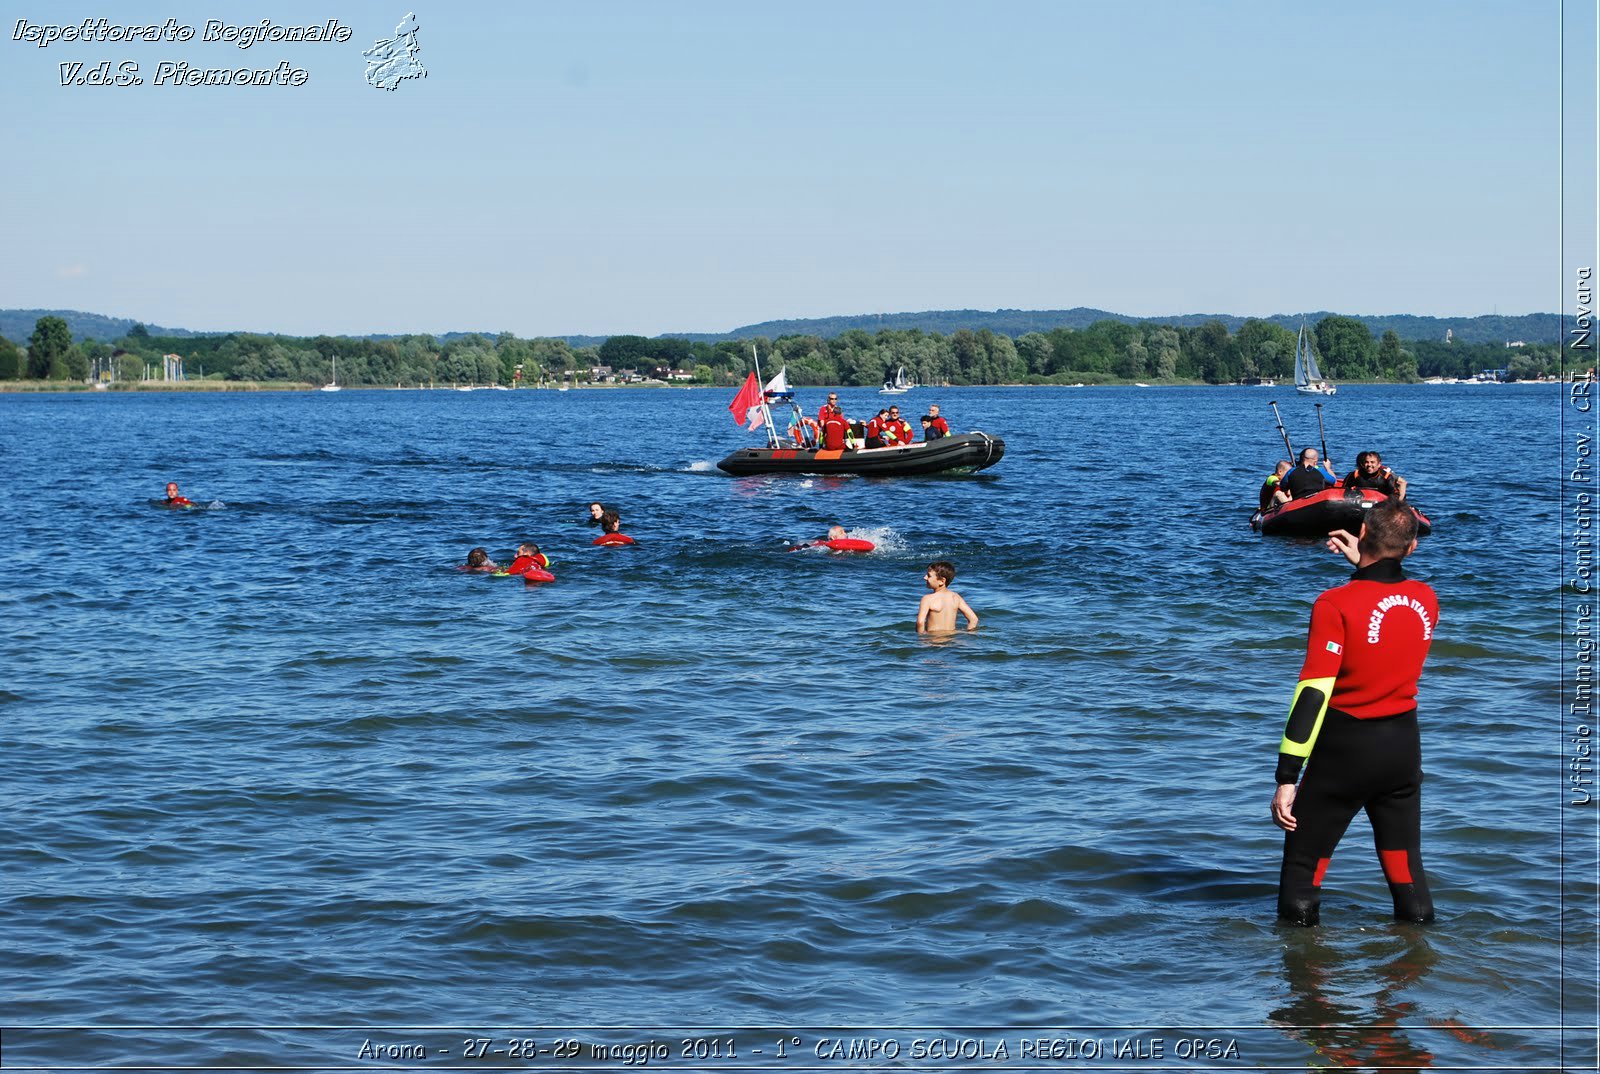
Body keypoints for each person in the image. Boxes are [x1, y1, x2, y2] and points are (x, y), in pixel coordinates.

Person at [1270, 498, 1439, 926]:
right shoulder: (1427, 599)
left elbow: (1313, 693)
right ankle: (1411, 980)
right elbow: (1383, 612)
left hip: (1347, 749)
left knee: (1303, 871)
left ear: (1362, 533)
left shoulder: (1333, 604)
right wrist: (1362, 565)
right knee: (1405, 870)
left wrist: (1287, 777)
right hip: (1402, 749)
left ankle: (1307, 985)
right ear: (1413, 548)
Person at [917, 560, 979, 633]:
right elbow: (974, 619)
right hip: (951, 641)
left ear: (942, 581)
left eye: (929, 576)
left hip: (933, 641)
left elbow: (920, 622)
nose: (925, 577)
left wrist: (921, 640)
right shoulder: (956, 597)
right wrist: (969, 633)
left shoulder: (927, 599)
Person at [1344, 452, 1408, 500]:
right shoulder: (1355, 474)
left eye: (1372, 462)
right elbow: (1344, 490)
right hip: (1359, 504)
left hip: (1381, 506)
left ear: (1379, 464)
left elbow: (1395, 494)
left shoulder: (1386, 476)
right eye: (1367, 462)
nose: (1369, 465)